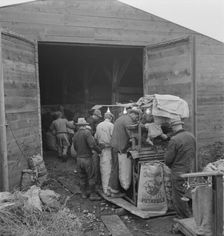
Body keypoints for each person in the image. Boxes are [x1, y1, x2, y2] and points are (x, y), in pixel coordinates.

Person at [164, 119, 196, 219]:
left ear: (173, 127)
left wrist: (168, 164)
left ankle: (183, 217)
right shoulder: (191, 136)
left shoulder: (174, 139)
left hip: (178, 170)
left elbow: (168, 159)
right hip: (188, 169)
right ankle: (189, 214)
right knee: (186, 192)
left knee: (178, 195)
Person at [108, 108, 141, 197]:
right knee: (117, 168)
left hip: (114, 145)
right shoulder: (128, 121)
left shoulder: (121, 118)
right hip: (119, 147)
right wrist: (144, 140)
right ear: (133, 114)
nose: (137, 119)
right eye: (137, 116)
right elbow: (132, 135)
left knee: (114, 168)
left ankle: (110, 190)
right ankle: (114, 192)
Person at [73, 118, 101, 201]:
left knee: (82, 177)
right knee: (91, 176)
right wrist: (99, 150)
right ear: (85, 125)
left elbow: (75, 147)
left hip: (79, 159)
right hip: (87, 158)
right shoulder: (87, 133)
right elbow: (92, 145)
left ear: (78, 126)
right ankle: (93, 195)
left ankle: (84, 194)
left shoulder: (76, 135)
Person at [95, 111, 114, 194]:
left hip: (100, 149)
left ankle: (105, 187)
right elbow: (114, 138)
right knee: (107, 169)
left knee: (103, 168)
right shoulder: (111, 125)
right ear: (111, 118)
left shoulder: (99, 125)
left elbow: (95, 137)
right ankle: (106, 190)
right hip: (108, 149)